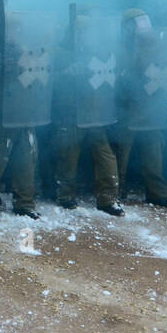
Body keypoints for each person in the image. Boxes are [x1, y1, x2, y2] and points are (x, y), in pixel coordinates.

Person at [0, 7, 52, 219]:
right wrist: (1, 69)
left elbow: (37, 81)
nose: (14, 33)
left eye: (17, 29)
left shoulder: (25, 52)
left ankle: (25, 202)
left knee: (27, 161)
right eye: (10, 29)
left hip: (24, 115)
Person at [53, 12, 124, 215]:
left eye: (87, 31)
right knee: (68, 156)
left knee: (105, 157)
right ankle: (65, 196)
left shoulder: (98, 52)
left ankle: (108, 199)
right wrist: (67, 73)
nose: (85, 34)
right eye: (81, 31)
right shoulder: (61, 53)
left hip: (94, 113)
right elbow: (50, 81)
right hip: (71, 113)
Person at [113, 8, 167, 208]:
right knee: (121, 153)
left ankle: (157, 193)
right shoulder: (120, 48)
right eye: (138, 22)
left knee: (153, 152)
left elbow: (163, 71)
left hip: (149, 109)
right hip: (127, 109)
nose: (142, 26)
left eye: (144, 21)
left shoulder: (154, 46)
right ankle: (116, 192)